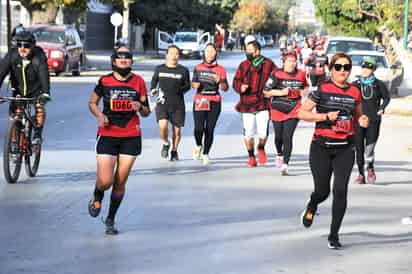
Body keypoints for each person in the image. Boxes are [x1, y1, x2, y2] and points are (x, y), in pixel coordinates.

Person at [298, 53, 369, 249]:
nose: (343, 71)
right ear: (331, 69)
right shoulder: (322, 89)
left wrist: (362, 120)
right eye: (338, 67)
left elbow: (359, 114)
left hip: (345, 149)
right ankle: (312, 204)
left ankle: (334, 234)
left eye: (346, 67)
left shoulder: (355, 91)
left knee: (340, 190)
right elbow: (302, 113)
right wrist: (325, 117)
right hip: (321, 147)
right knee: (323, 191)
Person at [87, 46, 150, 235]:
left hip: (131, 134)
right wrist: (99, 115)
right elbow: (92, 102)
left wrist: (140, 106)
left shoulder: (138, 82)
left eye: (127, 59)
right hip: (107, 134)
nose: (124, 62)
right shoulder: (104, 81)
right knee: (106, 181)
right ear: (114, 62)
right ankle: (97, 195)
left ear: (131, 62)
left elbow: (147, 112)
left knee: (120, 181)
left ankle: (110, 218)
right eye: (120, 59)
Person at [0, 30, 51, 144]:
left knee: (39, 107)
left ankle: (37, 134)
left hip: (36, 90)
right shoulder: (12, 55)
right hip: (18, 90)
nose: (22, 49)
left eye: (26, 46)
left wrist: (46, 93)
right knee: (14, 115)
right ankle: (13, 145)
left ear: (32, 46)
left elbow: (44, 75)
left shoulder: (39, 56)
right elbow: (1, 73)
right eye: (19, 45)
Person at [233, 39, 277, 167]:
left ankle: (261, 147)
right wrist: (240, 87)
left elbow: (277, 77)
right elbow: (236, 81)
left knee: (263, 133)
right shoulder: (243, 65)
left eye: (250, 50)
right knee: (248, 133)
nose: (247, 53)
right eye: (246, 50)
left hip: (263, 103)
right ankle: (251, 156)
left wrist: (273, 91)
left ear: (257, 51)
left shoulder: (268, 64)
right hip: (246, 104)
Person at [263, 50, 308, 175]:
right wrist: (281, 93)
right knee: (279, 137)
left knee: (288, 137)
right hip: (278, 107)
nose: (291, 64)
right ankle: (279, 153)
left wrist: (303, 93)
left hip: (294, 108)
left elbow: (305, 86)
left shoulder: (301, 74)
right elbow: (266, 92)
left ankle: (285, 165)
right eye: (289, 61)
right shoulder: (276, 74)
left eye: (294, 61)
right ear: (284, 62)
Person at [352, 57, 390, 184]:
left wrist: (382, 108)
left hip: (373, 119)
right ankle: (361, 174)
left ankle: (370, 167)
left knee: (369, 147)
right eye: (363, 68)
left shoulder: (378, 84)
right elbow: (348, 98)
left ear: (372, 70)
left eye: (367, 68)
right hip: (358, 120)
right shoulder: (355, 84)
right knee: (359, 147)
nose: (364, 70)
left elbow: (386, 98)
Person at [151, 45, 191, 161]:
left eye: (176, 54)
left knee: (177, 131)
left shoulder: (183, 70)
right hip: (162, 102)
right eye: (171, 53)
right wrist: (153, 89)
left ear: (179, 56)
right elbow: (154, 80)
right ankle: (165, 143)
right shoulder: (159, 68)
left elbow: (187, 85)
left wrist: (180, 90)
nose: (174, 56)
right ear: (167, 55)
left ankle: (174, 150)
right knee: (162, 126)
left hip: (177, 104)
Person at [191, 43, 228, 165]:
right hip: (200, 100)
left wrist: (221, 81)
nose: (210, 54)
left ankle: (206, 153)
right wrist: (195, 85)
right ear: (204, 53)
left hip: (214, 101)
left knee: (210, 129)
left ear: (216, 53)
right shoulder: (198, 67)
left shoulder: (221, 69)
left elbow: (225, 88)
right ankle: (198, 145)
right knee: (198, 128)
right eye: (207, 51)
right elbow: (194, 84)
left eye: (212, 51)